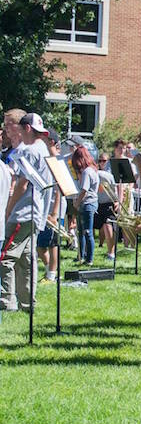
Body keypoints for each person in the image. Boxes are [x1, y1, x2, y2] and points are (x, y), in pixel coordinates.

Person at [1, 112, 52, 312]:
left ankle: (7, 301)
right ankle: (27, 303)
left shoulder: (31, 151)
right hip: (34, 212)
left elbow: (22, 185)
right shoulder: (44, 149)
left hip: (22, 212)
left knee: (6, 258)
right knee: (27, 260)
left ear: (27, 129)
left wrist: (7, 209)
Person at [36, 129, 63, 282]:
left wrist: (54, 212)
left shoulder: (56, 160)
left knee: (53, 243)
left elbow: (59, 189)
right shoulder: (45, 158)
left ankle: (52, 274)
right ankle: (49, 271)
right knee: (41, 245)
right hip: (44, 207)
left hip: (55, 208)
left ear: (51, 141)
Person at [72, 146, 100, 265]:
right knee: (82, 231)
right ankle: (81, 255)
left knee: (87, 232)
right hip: (90, 203)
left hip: (88, 203)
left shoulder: (87, 172)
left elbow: (84, 190)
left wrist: (76, 203)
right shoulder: (92, 170)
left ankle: (89, 259)